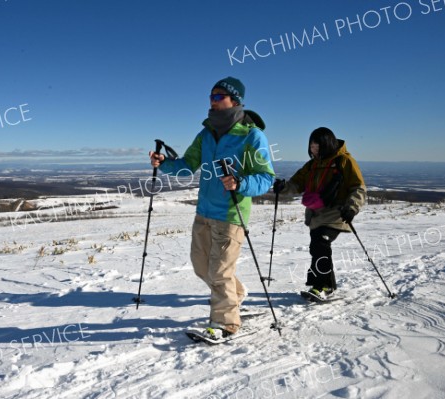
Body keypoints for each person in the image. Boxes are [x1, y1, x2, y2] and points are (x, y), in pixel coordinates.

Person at [149, 77, 275, 338]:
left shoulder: (251, 135)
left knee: (219, 272)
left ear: (235, 101)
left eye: (219, 97)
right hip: (204, 211)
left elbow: (265, 177)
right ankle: (235, 295)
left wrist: (240, 182)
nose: (212, 101)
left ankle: (225, 323)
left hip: (231, 213)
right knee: (201, 266)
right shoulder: (206, 134)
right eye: (211, 96)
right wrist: (164, 164)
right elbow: (188, 165)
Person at [273, 127, 366, 300]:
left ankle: (321, 285)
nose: (313, 148)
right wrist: (282, 187)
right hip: (315, 214)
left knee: (320, 243)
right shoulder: (312, 165)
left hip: (337, 212)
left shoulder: (344, 161)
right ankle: (326, 285)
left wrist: (352, 207)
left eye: (316, 144)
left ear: (326, 144)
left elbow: (358, 187)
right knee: (317, 247)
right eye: (311, 145)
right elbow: (296, 183)